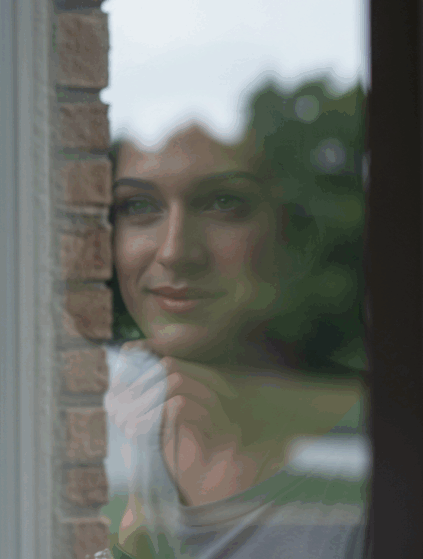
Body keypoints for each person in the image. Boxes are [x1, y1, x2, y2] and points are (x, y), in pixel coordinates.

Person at [101, 84, 369, 559]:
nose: (175, 251)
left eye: (224, 203)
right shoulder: (116, 431)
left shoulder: (371, 464)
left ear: (290, 230)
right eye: (139, 206)